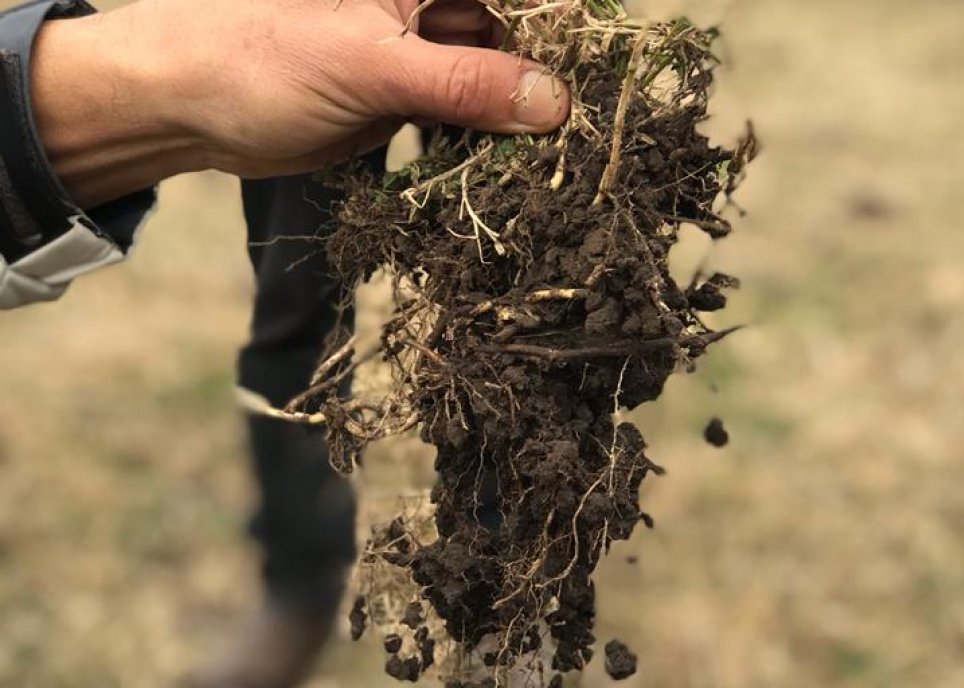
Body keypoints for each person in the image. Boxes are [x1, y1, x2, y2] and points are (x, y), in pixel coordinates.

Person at [0, 1, 570, 686]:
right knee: (296, 317)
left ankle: (503, 606)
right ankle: (299, 590)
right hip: (313, 11)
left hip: (529, 23)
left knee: (510, 329)